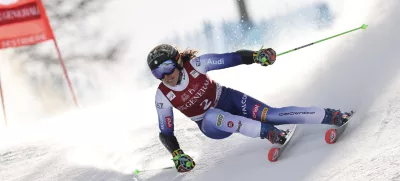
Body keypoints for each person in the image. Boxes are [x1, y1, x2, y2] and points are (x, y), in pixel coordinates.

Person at [147, 44, 352, 173]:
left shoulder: (198, 64)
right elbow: (166, 132)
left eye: (166, 67)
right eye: (157, 72)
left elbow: (232, 58)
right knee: (213, 116)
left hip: (229, 99)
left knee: (271, 114)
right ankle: (268, 133)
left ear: (178, 61)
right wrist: (177, 155)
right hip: (210, 125)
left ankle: (330, 115)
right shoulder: (163, 96)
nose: (165, 75)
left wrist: (257, 56)